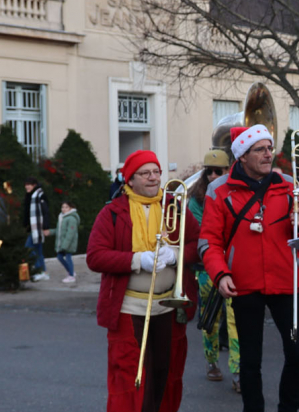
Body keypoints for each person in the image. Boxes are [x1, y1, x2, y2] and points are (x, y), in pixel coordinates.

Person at [202, 126, 299, 412]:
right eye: (260, 149)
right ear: (242, 155)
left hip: (286, 283)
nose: (268, 154)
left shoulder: (288, 184)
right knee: (250, 361)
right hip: (244, 285)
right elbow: (209, 241)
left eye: (269, 148)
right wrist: (220, 274)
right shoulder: (219, 190)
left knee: (298, 352)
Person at [87, 150, 200, 412]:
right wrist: (137, 260)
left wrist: (176, 254)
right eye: (145, 173)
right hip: (129, 309)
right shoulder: (112, 212)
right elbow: (95, 256)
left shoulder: (174, 207)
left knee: (165, 375)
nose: (153, 178)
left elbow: (198, 243)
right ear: (130, 180)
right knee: (129, 378)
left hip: (169, 307)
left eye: (156, 172)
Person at [186, 150, 240, 392]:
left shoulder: (237, 194)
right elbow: (203, 237)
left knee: (236, 321)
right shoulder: (196, 201)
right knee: (211, 320)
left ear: (228, 171)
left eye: (219, 171)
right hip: (207, 270)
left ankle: (238, 371)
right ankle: (211, 361)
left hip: (236, 268)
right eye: (209, 171)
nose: (213, 175)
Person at [23, 177, 51, 282]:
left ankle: (39, 270)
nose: (26, 186)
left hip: (37, 228)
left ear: (34, 185)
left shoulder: (39, 195)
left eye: (29, 184)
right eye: (26, 184)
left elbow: (45, 212)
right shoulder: (30, 195)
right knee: (38, 251)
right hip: (32, 228)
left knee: (29, 248)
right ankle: (43, 272)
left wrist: (46, 227)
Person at [55, 201, 80, 284]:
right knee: (59, 257)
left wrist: (65, 245)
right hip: (63, 244)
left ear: (71, 208)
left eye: (66, 207)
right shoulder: (62, 217)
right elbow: (59, 231)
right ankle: (71, 271)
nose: (64, 209)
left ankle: (71, 276)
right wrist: (50, 232)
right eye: (62, 207)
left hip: (69, 244)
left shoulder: (71, 219)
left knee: (68, 258)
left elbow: (70, 233)